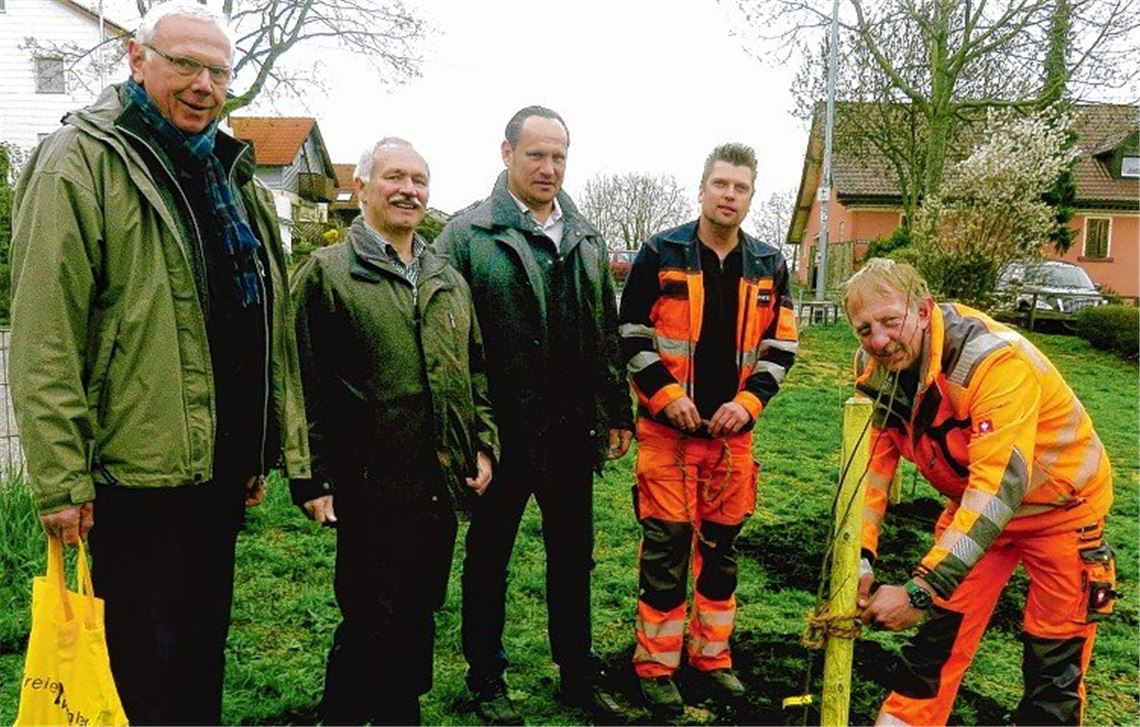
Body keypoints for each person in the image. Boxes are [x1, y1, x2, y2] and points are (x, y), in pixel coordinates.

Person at [8, 1, 310, 723]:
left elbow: (257, 316)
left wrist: (258, 445)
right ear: (137, 61)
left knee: (201, 655)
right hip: (131, 478)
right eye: (184, 64)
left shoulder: (228, 173)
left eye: (218, 72)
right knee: (142, 671)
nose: (203, 84)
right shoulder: (80, 161)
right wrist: (61, 480)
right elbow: (47, 333)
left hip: (215, 469)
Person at [845, 258, 1115, 726]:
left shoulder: (994, 362)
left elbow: (998, 486)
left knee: (1054, 659)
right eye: (864, 329)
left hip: (1061, 511)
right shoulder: (879, 370)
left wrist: (922, 589)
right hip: (973, 506)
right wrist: (860, 558)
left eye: (890, 321)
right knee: (937, 641)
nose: (880, 341)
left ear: (924, 310)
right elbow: (871, 470)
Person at [435, 105, 634, 724]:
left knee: (573, 558)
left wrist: (617, 409)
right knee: (488, 558)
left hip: (571, 432)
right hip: (500, 435)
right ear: (507, 154)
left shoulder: (586, 238)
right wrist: (471, 433)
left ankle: (577, 672)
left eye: (559, 157)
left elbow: (605, 331)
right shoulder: (466, 236)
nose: (549, 168)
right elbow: (448, 346)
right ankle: (486, 678)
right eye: (536, 155)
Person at [290, 137, 498, 725]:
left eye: (419, 180)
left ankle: (400, 710)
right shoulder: (327, 274)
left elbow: (475, 372)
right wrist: (312, 477)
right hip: (366, 481)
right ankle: (344, 714)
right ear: (361, 188)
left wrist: (483, 444)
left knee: (419, 608)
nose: (409, 190)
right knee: (370, 613)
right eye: (395, 177)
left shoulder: (446, 278)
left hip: (436, 479)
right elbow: (300, 381)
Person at [617, 142, 798, 715]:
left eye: (740, 187)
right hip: (666, 436)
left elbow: (781, 345)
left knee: (721, 553)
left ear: (751, 196)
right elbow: (629, 331)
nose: (729, 195)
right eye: (720, 184)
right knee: (666, 552)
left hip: (731, 441)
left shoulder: (769, 264)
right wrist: (665, 395)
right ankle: (655, 666)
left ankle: (712, 658)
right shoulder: (660, 252)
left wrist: (749, 402)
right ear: (701, 189)